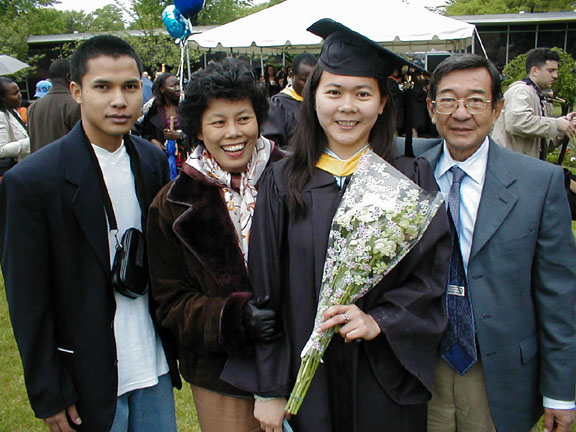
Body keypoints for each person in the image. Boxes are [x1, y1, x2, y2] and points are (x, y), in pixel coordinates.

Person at [223, 19, 451, 432]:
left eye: (363, 94)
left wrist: (382, 319)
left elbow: (430, 276)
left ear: (382, 103)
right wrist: (271, 388)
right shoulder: (282, 179)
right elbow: (266, 287)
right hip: (306, 380)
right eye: (334, 92)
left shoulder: (410, 177)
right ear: (313, 100)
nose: (347, 107)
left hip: (382, 373)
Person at [0, 35, 181, 431]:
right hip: (87, 374)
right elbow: (27, 297)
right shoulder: (33, 181)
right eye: (103, 87)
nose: (119, 100)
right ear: (78, 91)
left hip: (153, 363)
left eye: (130, 87)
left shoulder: (149, 159)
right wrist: (49, 390)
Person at [423, 53, 576, 432]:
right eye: (448, 101)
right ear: (431, 108)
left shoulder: (539, 183)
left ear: (497, 109)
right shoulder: (408, 176)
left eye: (476, 101)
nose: (461, 113)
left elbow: (558, 293)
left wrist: (560, 392)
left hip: (500, 372)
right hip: (422, 370)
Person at [146, 58, 283, 432]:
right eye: (218, 122)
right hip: (221, 375)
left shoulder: (296, 176)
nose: (233, 133)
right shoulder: (172, 202)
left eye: (243, 118)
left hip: (300, 362)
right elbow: (170, 301)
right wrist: (233, 318)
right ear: (199, 129)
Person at [492, 47, 576, 159]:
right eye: (550, 71)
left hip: (523, 167)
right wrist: (556, 124)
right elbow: (516, 123)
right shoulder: (520, 91)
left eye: (556, 71)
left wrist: (566, 127)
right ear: (535, 71)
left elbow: (542, 146)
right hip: (510, 168)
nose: (556, 76)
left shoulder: (536, 95)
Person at [262, 53, 317, 150]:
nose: (310, 86)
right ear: (292, 75)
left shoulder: (322, 101)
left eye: (314, 80)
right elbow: (273, 147)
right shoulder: (278, 104)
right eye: (305, 80)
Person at [27, 58, 82, 152]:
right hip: (66, 164)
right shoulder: (74, 104)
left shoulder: (33, 107)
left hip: (39, 164)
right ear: (69, 77)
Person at [140, 72, 189, 172]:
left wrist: (180, 136)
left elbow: (198, 132)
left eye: (177, 84)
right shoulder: (153, 109)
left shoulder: (186, 106)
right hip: (161, 161)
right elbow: (145, 132)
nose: (177, 88)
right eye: (172, 86)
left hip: (185, 161)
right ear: (162, 89)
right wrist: (153, 141)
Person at [0, 77, 29, 178]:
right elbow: (1, 150)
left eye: (19, 91)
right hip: (9, 173)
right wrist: (29, 142)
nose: (20, 96)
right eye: (14, 93)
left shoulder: (13, 112)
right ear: (2, 98)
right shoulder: (1, 115)